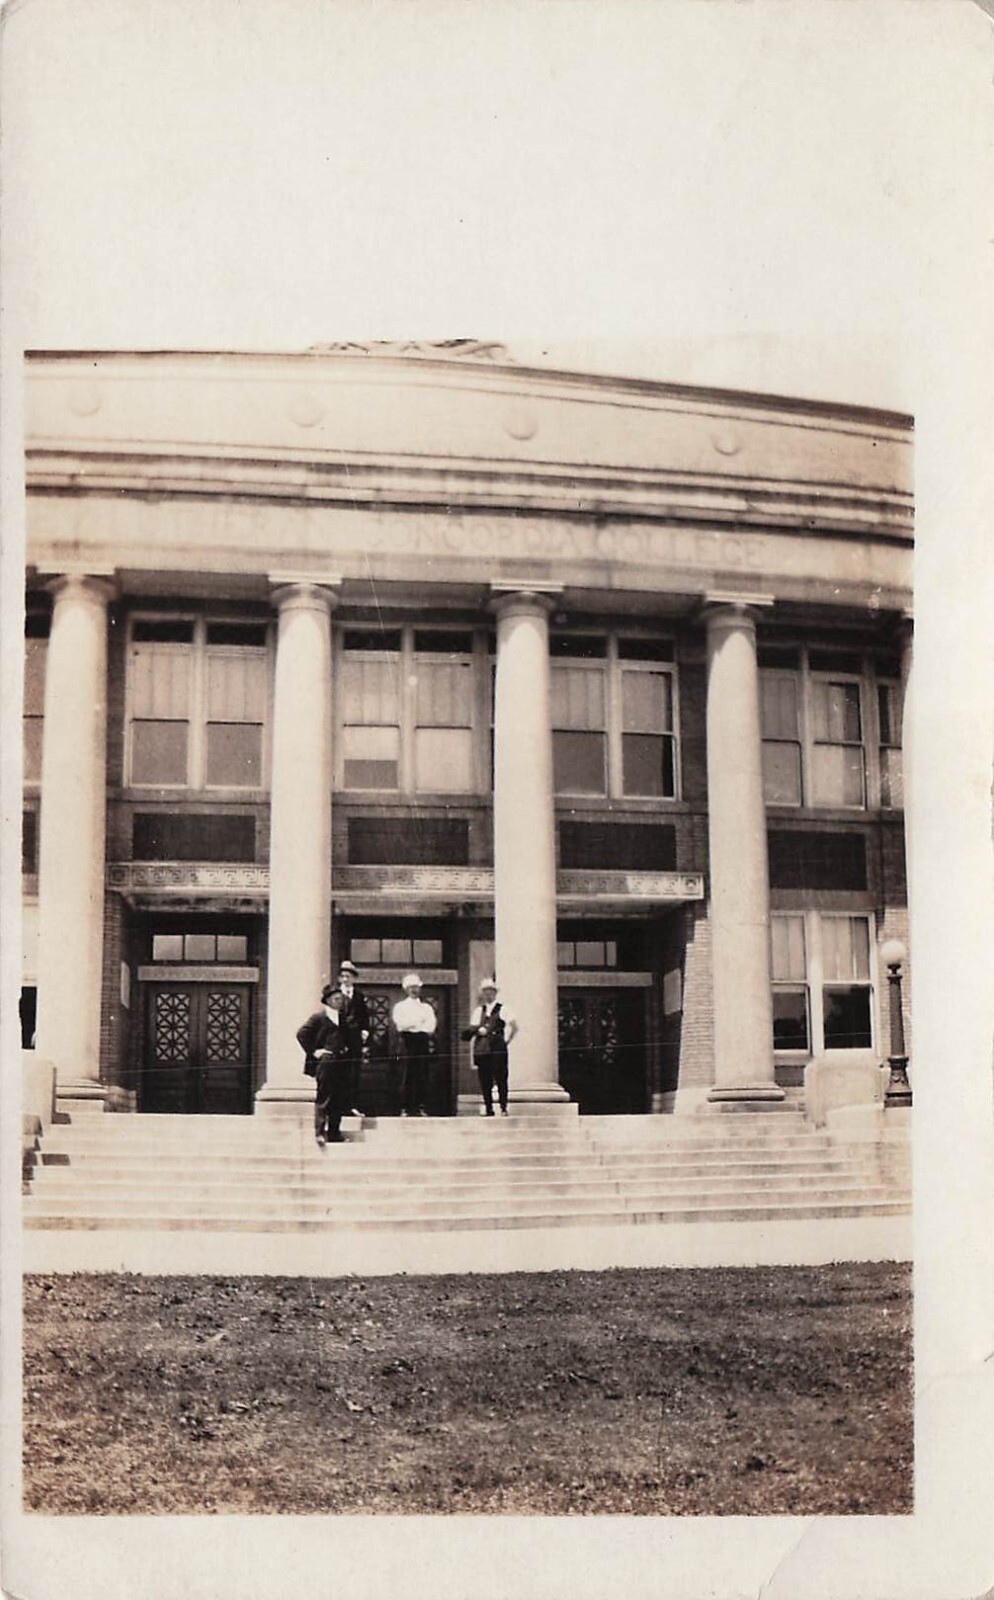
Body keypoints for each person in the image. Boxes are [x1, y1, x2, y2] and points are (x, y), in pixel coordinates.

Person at [296, 984, 349, 1147]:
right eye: (336, 999)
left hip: (341, 1062)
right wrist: (314, 1051)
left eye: (341, 999)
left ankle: (334, 1133)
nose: (340, 1002)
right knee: (324, 1096)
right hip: (326, 1063)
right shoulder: (319, 1017)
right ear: (328, 1000)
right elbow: (301, 1034)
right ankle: (319, 1133)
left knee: (338, 1098)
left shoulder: (343, 1018)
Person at [461, 977, 518, 1117]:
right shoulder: (478, 1011)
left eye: (490, 991)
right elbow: (472, 1028)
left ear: (495, 993)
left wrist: (506, 1041)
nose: (488, 994)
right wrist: (477, 1031)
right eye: (485, 992)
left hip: (497, 1047)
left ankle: (503, 1107)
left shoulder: (503, 1009)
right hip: (482, 1048)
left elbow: (514, 1026)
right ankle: (488, 1107)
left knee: (501, 1077)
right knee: (484, 1078)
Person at [391, 973, 437, 1117]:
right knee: (406, 1075)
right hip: (407, 1042)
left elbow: (431, 1026)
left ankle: (421, 1106)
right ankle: (405, 1107)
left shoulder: (426, 1007)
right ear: (406, 989)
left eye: (416, 987)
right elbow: (401, 1025)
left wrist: (413, 1024)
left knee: (422, 1074)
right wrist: (417, 1022)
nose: (414, 990)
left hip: (422, 1041)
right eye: (411, 987)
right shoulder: (400, 1007)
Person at [335, 958, 371, 1118]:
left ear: (354, 978)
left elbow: (364, 1017)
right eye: (342, 976)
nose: (345, 979)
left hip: (355, 1040)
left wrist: (364, 1032)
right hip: (339, 1039)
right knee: (339, 1073)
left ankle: (352, 1106)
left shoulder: (359, 996)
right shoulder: (335, 995)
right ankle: (337, 1107)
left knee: (353, 1073)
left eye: (348, 976)